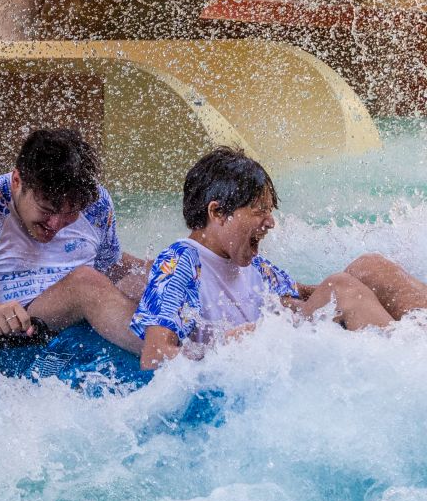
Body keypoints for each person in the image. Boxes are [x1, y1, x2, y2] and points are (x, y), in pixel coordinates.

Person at [132, 146, 427, 370]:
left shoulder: (251, 264)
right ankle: (409, 367)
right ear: (217, 212)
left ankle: (414, 348)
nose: (270, 222)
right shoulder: (180, 262)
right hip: (247, 375)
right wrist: (226, 346)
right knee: (341, 287)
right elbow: (155, 355)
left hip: (283, 362)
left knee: (368, 267)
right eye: (259, 209)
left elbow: (304, 293)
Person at [0, 128, 149, 353]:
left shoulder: (96, 203)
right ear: (17, 180)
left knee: (153, 278)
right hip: (24, 325)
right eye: (46, 210)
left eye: (70, 213)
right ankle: (170, 358)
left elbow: (110, 265)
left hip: (83, 319)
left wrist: (157, 271)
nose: (55, 225)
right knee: (85, 283)